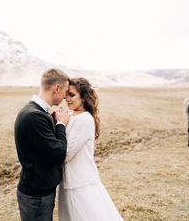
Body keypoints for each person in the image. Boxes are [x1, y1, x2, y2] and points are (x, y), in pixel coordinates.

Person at [58, 78, 123, 221]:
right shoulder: (72, 115)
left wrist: (60, 125)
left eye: (72, 95)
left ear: (84, 97)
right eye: (66, 94)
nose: (67, 99)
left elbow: (66, 153)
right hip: (69, 181)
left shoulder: (84, 120)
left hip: (79, 183)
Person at [14, 68, 70, 221]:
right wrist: (60, 125)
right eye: (65, 91)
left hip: (38, 191)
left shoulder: (38, 112)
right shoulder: (34, 116)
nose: (65, 97)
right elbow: (57, 154)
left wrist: (52, 121)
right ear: (57, 88)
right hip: (36, 195)